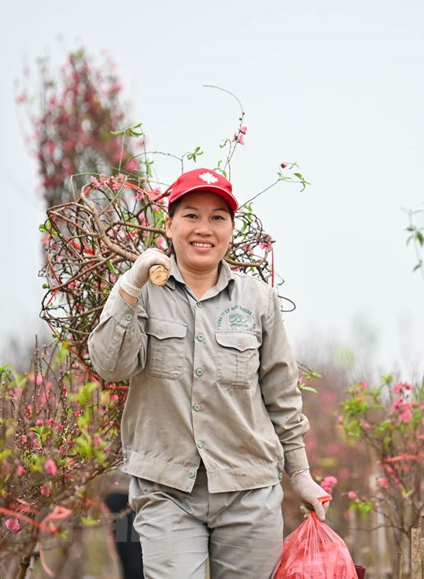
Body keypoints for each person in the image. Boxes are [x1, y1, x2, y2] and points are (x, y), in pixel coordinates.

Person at [87, 168, 329, 578]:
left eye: (218, 217)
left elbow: (282, 396)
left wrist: (301, 475)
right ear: (170, 224)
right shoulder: (142, 292)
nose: (204, 229)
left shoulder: (258, 300)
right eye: (191, 215)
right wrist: (131, 281)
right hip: (167, 492)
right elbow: (109, 365)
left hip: (249, 490)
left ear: (232, 229)